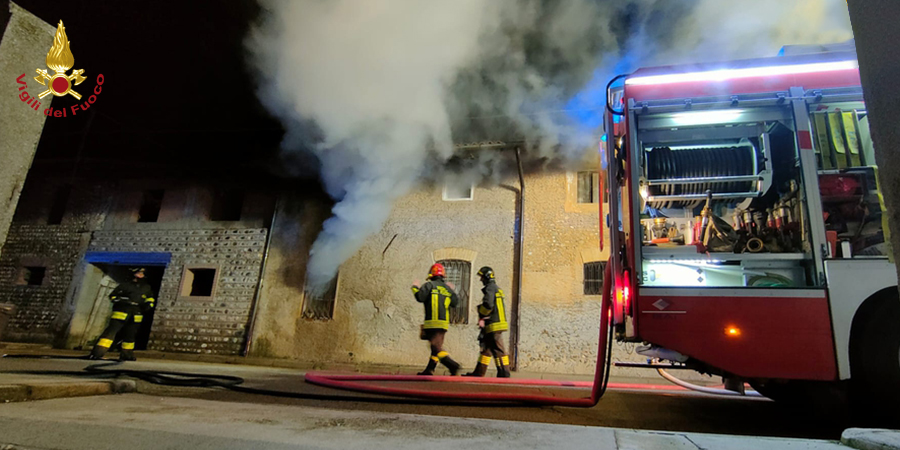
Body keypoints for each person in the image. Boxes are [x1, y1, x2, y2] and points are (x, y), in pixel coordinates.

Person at [88, 267, 155, 361]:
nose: (141, 275)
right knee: (110, 333)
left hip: (136, 314)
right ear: (133, 274)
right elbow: (113, 296)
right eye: (138, 273)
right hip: (121, 313)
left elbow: (150, 299)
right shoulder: (125, 285)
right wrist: (123, 301)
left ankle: (127, 354)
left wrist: (148, 305)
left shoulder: (146, 288)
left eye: (142, 274)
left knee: (130, 336)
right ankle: (98, 353)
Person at [412, 263, 461, 376]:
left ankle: (452, 365)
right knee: (436, 347)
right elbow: (455, 303)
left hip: (432, 323)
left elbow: (420, 297)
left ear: (432, 275)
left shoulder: (429, 285)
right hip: (443, 324)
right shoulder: (447, 289)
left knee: (435, 346)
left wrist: (415, 287)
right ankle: (429, 370)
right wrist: (452, 290)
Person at [464, 266, 511, 378]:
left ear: (486, 277)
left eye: (482, 277)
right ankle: (479, 372)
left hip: (494, 324)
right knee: (486, 349)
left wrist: (481, 313)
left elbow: (488, 305)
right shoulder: (496, 288)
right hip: (496, 323)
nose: (481, 280)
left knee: (498, 349)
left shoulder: (490, 288)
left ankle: (504, 372)